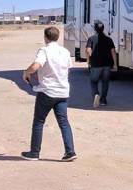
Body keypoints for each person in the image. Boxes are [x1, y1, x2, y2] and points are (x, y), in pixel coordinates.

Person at [21, 26, 77, 161]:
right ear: (57, 37)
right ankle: (70, 152)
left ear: (46, 37)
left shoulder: (44, 50)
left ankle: (34, 152)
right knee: (64, 122)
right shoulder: (64, 51)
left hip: (47, 92)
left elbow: (36, 65)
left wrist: (26, 73)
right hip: (63, 92)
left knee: (39, 121)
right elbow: (68, 69)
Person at [86, 21, 117, 108]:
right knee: (105, 82)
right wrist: (115, 64)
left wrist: (89, 61)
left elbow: (88, 50)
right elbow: (113, 51)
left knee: (93, 81)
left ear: (95, 29)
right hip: (107, 65)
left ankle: (96, 94)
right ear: (103, 29)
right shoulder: (109, 39)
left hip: (95, 64)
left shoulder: (91, 39)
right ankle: (103, 100)